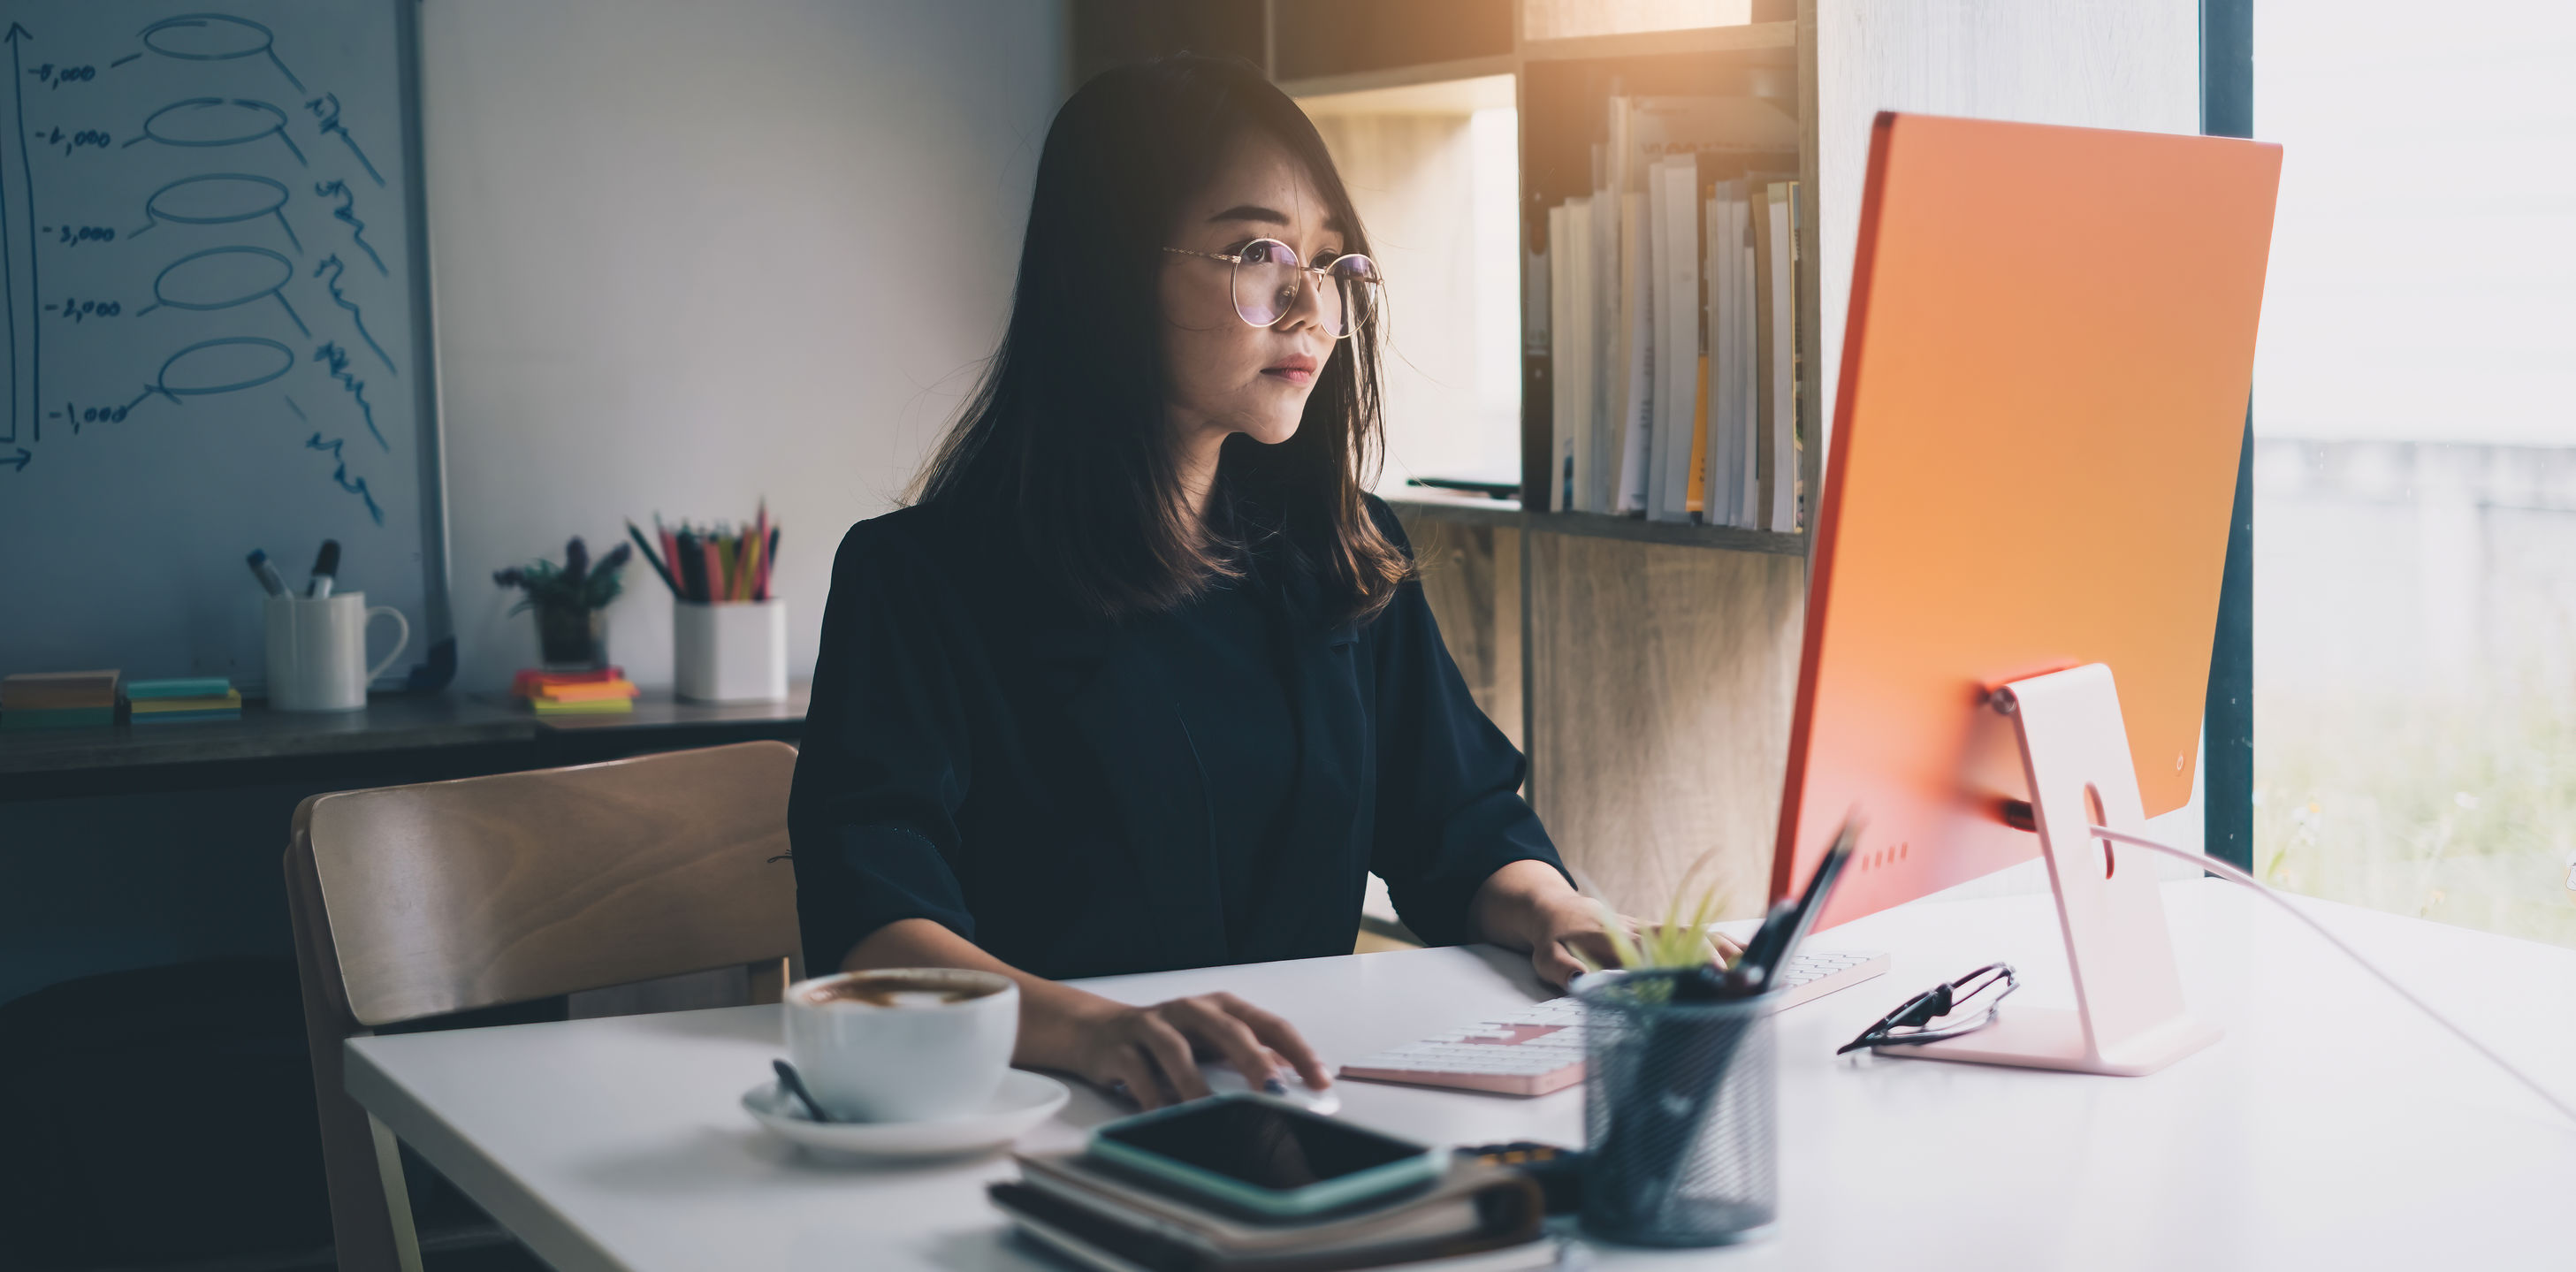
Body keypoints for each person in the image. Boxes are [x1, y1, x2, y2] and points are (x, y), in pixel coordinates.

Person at [789, 55, 1722, 1110]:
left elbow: (1458, 826)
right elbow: (873, 922)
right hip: (1036, 1119)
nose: (1310, 306)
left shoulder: (1344, 554)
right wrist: (1096, 1030)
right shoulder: (917, 582)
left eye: (1327, 261)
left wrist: (1556, 909)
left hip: (1297, 1111)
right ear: (1106, 272)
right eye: (1254, 251)